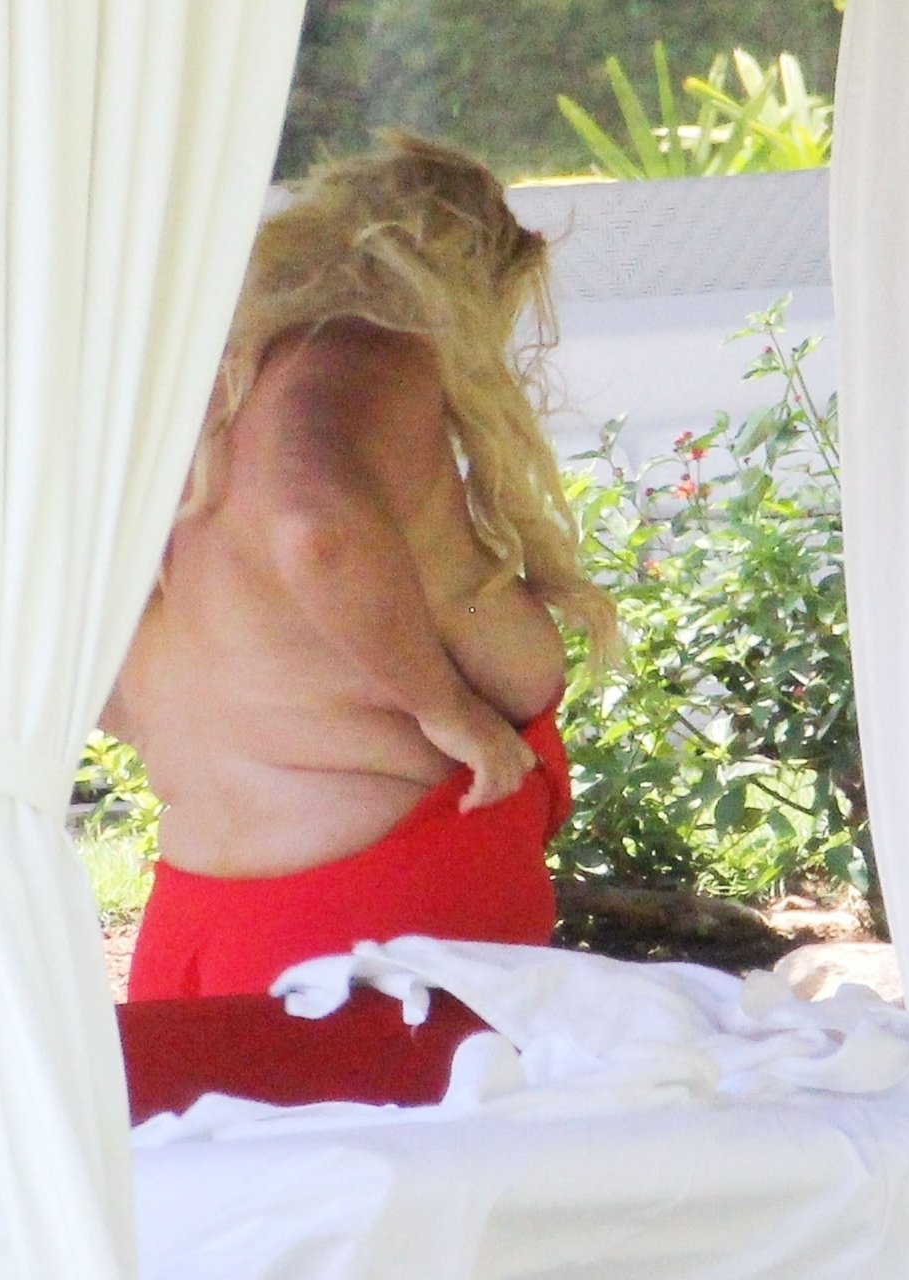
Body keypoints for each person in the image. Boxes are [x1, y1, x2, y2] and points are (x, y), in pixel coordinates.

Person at [103, 133, 618, 1001]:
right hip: (365, 936)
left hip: (197, 920)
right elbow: (315, 527)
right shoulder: (364, 347)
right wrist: (445, 709)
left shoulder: (207, 397)